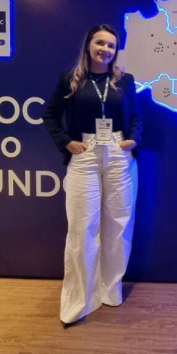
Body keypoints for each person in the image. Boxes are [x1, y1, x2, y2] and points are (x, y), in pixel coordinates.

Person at [42, 24, 142, 327]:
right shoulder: (71, 79)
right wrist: (66, 141)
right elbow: (50, 115)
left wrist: (133, 139)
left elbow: (136, 116)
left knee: (119, 224)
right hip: (84, 153)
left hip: (118, 152)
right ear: (88, 45)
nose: (105, 50)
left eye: (111, 45)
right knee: (82, 226)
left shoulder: (124, 80)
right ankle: (79, 299)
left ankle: (110, 290)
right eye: (100, 43)